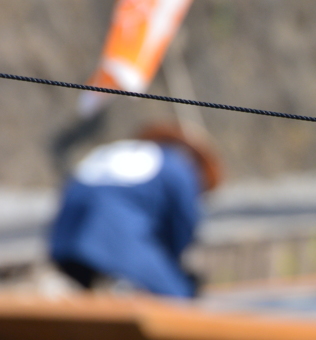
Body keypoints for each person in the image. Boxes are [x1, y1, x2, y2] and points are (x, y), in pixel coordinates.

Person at [49, 124, 221, 298]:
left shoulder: (117, 152)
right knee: (177, 294)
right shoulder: (178, 167)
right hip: (113, 238)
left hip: (65, 239)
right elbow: (182, 227)